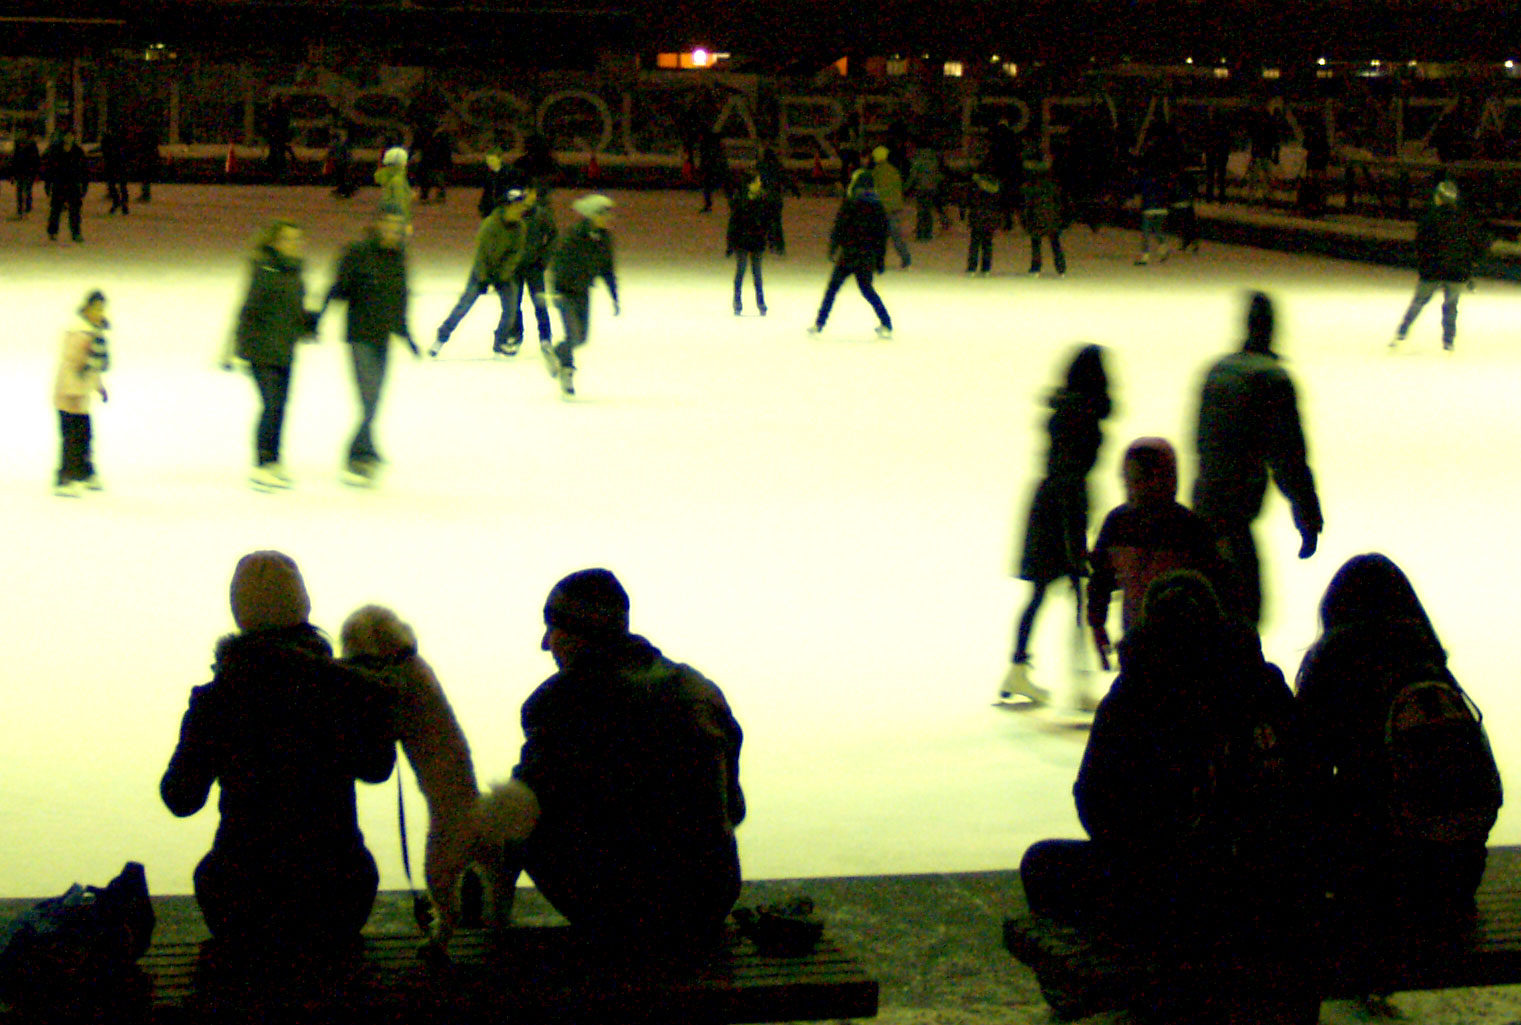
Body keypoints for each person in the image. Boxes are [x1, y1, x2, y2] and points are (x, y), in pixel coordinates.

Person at [1020, 571, 1318, 1023]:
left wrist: (1149, 846)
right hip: (1260, 884)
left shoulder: (1135, 693)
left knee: (1042, 864)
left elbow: (1095, 801)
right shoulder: (1261, 684)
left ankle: (1123, 980)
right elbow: (1306, 778)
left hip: (1165, 891)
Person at [474, 569, 745, 956]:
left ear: (576, 634)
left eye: (552, 628)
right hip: (708, 904)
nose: (545, 643)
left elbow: (520, 814)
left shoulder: (557, 703)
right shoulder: (699, 690)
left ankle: (483, 915)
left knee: (508, 805)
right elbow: (734, 809)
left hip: (624, 916)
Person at [161, 552, 396, 958]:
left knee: (213, 874)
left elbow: (180, 799)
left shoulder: (218, 699)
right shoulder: (347, 688)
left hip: (241, 906)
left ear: (240, 615)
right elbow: (378, 769)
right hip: (339, 900)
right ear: (302, 607)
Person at [1295, 554, 1501, 929]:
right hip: (1458, 875)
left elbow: (1305, 772)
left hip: (1378, 879)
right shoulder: (1429, 663)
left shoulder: (1336, 664)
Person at [339, 605, 479, 954]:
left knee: (439, 873)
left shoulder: (398, 681)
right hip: (466, 795)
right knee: (489, 862)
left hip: (448, 806)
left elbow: (380, 747)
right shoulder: (417, 669)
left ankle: (443, 933)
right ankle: (497, 918)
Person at [1192, 292, 1322, 626]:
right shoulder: (1271, 380)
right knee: (1243, 609)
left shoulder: (1218, 371)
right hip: (1236, 508)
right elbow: (1288, 457)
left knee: (1210, 602)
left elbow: (1201, 441)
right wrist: (1307, 515)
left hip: (1205, 504)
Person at [1000, 345, 1111, 707]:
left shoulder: (1066, 410)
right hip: (1063, 510)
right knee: (1077, 592)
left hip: (1049, 505)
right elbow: (1072, 474)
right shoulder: (1084, 415)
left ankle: (1019, 668)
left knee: (1042, 592)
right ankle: (1078, 681)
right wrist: (1074, 538)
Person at [1086, 438, 1224, 667]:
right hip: (1158, 643)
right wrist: (1097, 623)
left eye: (1140, 479)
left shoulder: (1122, 524)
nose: (1135, 487)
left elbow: (1101, 579)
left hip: (1176, 644)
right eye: (1132, 479)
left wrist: (1097, 624)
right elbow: (1101, 579)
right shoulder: (1188, 526)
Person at [324, 208, 415, 487]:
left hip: (383, 336)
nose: (393, 231)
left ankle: (367, 447)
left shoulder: (398, 257)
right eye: (388, 224)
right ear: (377, 226)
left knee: (374, 398)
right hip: (360, 335)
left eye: (398, 226)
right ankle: (358, 454)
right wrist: (318, 317)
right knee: (370, 396)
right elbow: (338, 288)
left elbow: (400, 297)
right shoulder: (358, 253)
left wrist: (405, 333)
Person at [228, 219, 318, 491]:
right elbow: (249, 310)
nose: (295, 244)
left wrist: (308, 323)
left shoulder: (295, 272)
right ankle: (262, 463)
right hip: (262, 351)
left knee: (280, 407)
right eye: (289, 239)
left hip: (284, 349)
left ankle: (275, 460)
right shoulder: (266, 270)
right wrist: (237, 348)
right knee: (272, 405)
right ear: (276, 242)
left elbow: (292, 310)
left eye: (298, 239)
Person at [430, 187, 531, 358]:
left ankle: (500, 342)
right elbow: (482, 255)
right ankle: (441, 338)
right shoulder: (490, 224)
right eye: (516, 206)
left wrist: (503, 275)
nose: (520, 210)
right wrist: (483, 278)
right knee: (464, 305)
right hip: (482, 271)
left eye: (521, 207)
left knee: (511, 308)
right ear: (507, 206)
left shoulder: (520, 228)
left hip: (503, 274)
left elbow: (515, 254)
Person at [1392, 180, 1488, 352]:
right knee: (1451, 306)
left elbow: (1421, 243)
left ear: (1439, 197)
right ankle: (1448, 341)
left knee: (1419, 301)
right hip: (1458, 271)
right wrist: (1471, 263)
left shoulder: (1430, 219)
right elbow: (1479, 243)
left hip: (1432, 269)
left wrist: (1424, 262)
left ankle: (1401, 333)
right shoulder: (1465, 220)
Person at [546, 193, 619, 397]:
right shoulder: (573, 235)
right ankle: (567, 372)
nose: (607, 218)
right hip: (564, 292)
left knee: (581, 338)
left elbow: (607, 269)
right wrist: (555, 290)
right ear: (592, 215)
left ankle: (556, 352)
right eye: (603, 214)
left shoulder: (605, 239)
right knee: (573, 334)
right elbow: (557, 263)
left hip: (582, 292)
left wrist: (614, 296)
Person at [807, 172, 892, 338]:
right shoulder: (878, 207)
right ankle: (886, 323)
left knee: (832, 289)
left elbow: (839, 227)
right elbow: (881, 237)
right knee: (867, 290)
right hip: (866, 256)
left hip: (848, 254)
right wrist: (880, 260)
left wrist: (833, 248)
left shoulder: (850, 203)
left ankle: (819, 324)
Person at [52, 290, 110, 497]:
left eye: (102, 309)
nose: (99, 313)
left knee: (85, 435)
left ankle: (85, 472)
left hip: (81, 396)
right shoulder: (79, 333)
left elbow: (92, 367)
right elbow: (71, 366)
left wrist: (98, 387)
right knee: (72, 438)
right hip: (69, 397)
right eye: (96, 308)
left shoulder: (95, 334)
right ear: (87, 309)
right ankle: (65, 477)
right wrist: (73, 394)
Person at [504, 185, 559, 356]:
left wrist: (543, 259)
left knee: (539, 303)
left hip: (534, 267)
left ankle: (545, 338)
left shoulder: (541, 214)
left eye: (532, 193)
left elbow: (553, 236)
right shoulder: (514, 213)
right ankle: (515, 335)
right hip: (515, 267)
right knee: (514, 303)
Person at [726, 175, 769, 316]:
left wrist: (768, 237)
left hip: (756, 241)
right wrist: (730, 243)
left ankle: (761, 303)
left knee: (757, 274)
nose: (760, 183)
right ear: (750, 184)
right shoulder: (740, 200)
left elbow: (767, 221)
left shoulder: (762, 199)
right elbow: (733, 222)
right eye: (757, 181)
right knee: (741, 271)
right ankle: (737, 302)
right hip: (742, 241)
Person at [1021, 156, 1066, 277]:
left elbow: (1028, 203)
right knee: (1055, 243)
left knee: (1036, 243)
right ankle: (1061, 268)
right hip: (1052, 217)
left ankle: (1036, 268)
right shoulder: (1052, 184)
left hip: (1037, 217)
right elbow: (1059, 201)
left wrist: (1026, 218)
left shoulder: (1031, 186)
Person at [868, 145, 912, 269]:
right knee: (896, 236)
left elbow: (872, 190)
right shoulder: (894, 170)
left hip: (881, 208)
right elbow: (899, 188)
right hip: (894, 208)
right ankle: (906, 259)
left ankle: (877, 261)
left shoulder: (875, 172)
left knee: (878, 237)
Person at [43, 129, 87, 243]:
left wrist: (84, 185)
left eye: (71, 136)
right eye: (67, 136)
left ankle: (76, 232)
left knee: (75, 211)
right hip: (59, 184)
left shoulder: (78, 151)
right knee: (55, 210)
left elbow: (84, 169)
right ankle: (52, 231)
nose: (69, 138)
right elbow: (50, 168)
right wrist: (48, 184)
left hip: (73, 185)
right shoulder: (56, 151)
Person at [965, 169, 1001, 276]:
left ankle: (972, 268)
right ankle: (986, 268)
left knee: (975, 244)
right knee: (987, 243)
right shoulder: (995, 188)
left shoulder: (976, 188)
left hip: (978, 217)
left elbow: (970, 202)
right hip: (990, 218)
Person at [374, 146, 413, 229]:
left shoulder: (388, 177)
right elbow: (401, 202)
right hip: (397, 219)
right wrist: (406, 221)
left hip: (386, 216)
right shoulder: (398, 180)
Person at [100, 126, 130, 215]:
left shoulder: (108, 138)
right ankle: (121, 203)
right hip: (118, 163)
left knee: (116, 185)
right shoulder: (120, 138)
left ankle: (119, 203)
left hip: (115, 163)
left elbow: (104, 150)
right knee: (119, 185)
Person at [11, 130, 39, 219]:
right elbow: (14, 159)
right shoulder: (19, 144)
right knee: (21, 190)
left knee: (27, 190)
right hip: (21, 170)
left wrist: (35, 172)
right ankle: (21, 209)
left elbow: (35, 159)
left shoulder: (31, 144)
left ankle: (26, 208)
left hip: (28, 170)